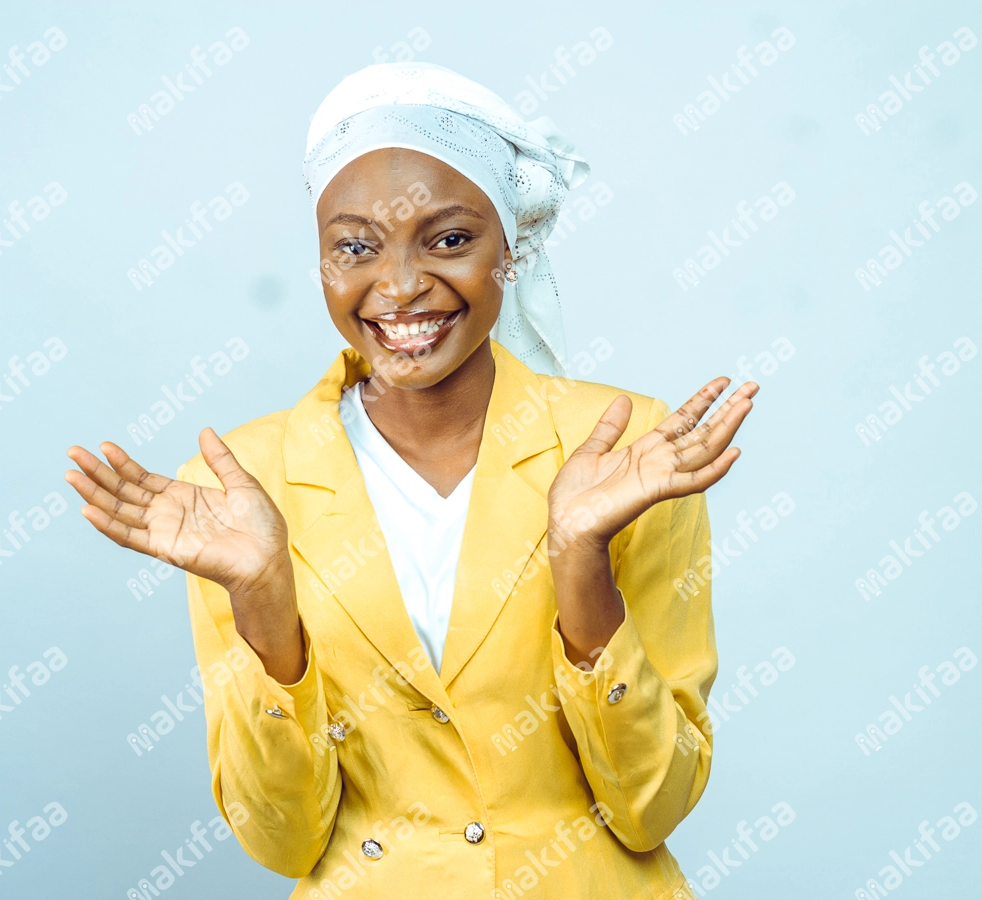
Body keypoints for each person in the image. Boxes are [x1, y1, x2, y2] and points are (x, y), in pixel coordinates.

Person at [66, 62, 757, 899]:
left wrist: (582, 564)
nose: (397, 286)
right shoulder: (240, 487)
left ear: (513, 246)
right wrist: (263, 604)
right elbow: (282, 842)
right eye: (355, 246)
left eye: (450, 238)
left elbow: (653, 808)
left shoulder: (632, 451)